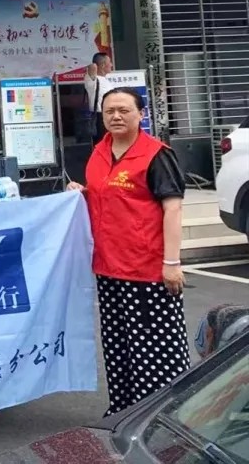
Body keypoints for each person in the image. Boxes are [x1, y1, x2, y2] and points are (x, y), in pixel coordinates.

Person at [66, 87, 190, 416]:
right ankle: (122, 412)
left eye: (124, 110)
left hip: (147, 270)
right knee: (119, 346)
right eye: (110, 111)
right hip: (108, 267)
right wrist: (81, 192)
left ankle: (158, 418)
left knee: (154, 349)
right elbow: (104, 197)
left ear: (141, 114)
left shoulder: (156, 154)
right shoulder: (99, 152)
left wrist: (172, 262)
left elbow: (173, 208)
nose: (116, 116)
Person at [82, 52, 114, 146]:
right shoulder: (92, 80)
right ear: (103, 65)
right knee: (102, 145)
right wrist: (96, 63)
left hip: (109, 115)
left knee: (111, 144)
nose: (111, 65)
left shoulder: (106, 80)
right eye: (109, 62)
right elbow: (92, 67)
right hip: (100, 118)